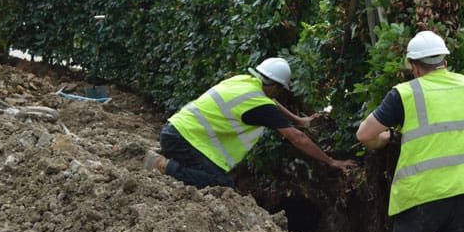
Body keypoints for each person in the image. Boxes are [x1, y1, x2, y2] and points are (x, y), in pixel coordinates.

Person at [356, 31, 464, 232]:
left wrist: (385, 139)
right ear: (444, 60)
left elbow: (364, 134)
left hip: (422, 197)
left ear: (414, 66)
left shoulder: (406, 94)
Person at [144, 57, 355, 187]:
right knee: (222, 183)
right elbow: (297, 139)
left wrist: (299, 120)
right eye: (280, 88)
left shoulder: (243, 82)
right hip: (186, 140)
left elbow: (270, 101)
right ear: (274, 86)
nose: (278, 93)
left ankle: (169, 153)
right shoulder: (259, 105)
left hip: (175, 132)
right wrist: (331, 161)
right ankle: (163, 165)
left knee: (212, 172)